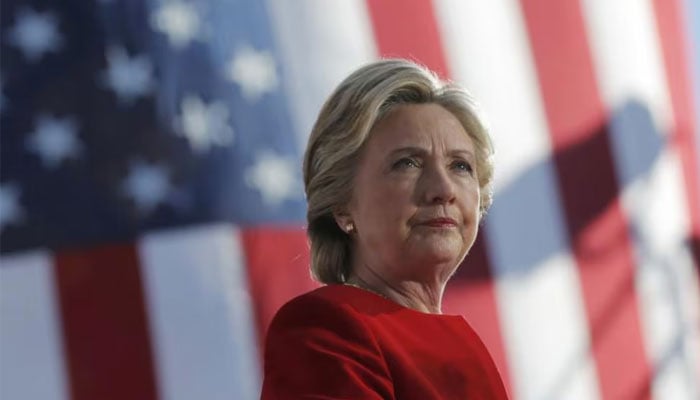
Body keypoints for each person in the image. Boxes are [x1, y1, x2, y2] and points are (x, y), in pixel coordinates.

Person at [260, 59, 508, 399]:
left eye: (460, 166)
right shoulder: (325, 326)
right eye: (407, 162)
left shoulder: (466, 348)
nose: (443, 188)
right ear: (342, 203)